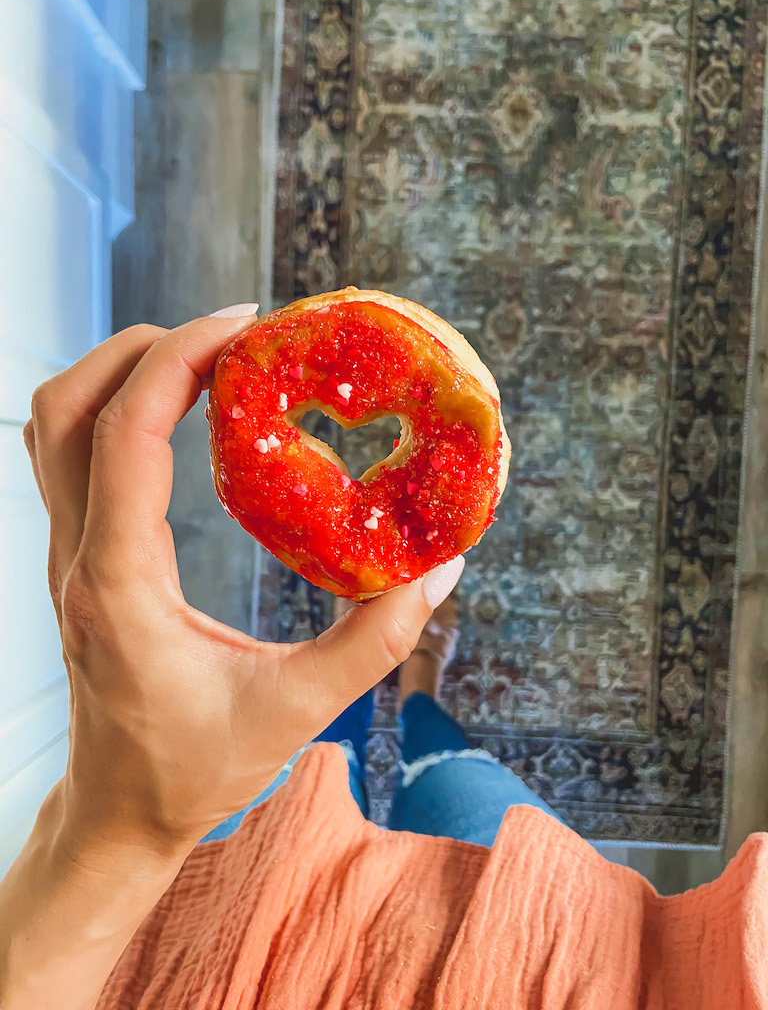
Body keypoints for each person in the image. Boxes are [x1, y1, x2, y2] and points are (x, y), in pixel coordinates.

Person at [0, 307, 766, 1010]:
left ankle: (359, 689)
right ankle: (415, 689)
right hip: (566, 966)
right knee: (456, 780)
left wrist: (114, 843)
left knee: (311, 773)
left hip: (201, 951)